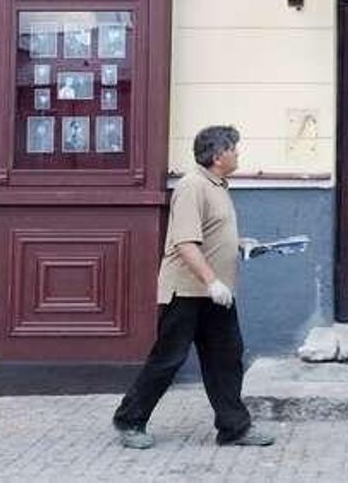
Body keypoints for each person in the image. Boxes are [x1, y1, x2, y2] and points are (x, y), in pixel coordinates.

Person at [112, 125, 273, 450]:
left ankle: (234, 428)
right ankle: (129, 420)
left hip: (216, 294)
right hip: (187, 292)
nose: (238, 153)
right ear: (218, 155)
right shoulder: (192, 186)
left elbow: (208, 235)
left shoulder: (217, 186)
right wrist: (212, 281)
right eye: (234, 148)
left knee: (226, 359)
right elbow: (185, 243)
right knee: (168, 359)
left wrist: (240, 244)